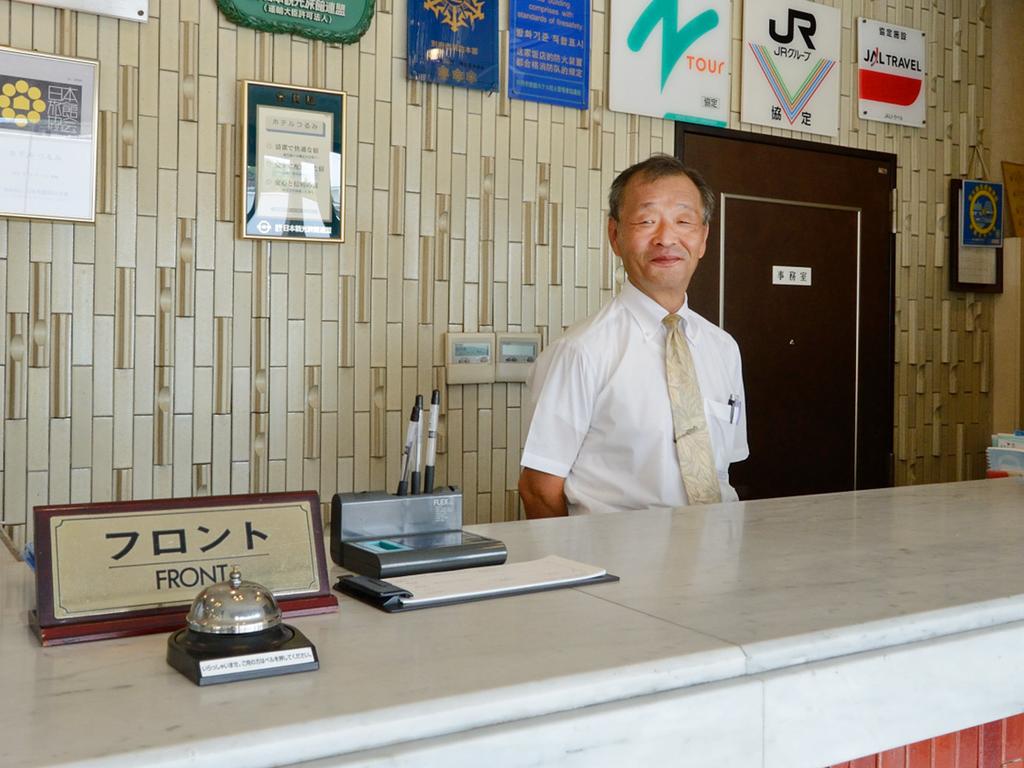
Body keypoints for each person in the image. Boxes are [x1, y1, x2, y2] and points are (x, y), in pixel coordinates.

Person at [518, 154, 748, 517]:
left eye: (684, 221)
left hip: (718, 557)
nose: (666, 237)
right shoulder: (580, 351)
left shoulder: (723, 348)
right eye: (646, 220)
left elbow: (723, 469)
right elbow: (539, 491)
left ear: (703, 239)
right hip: (622, 566)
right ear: (615, 235)